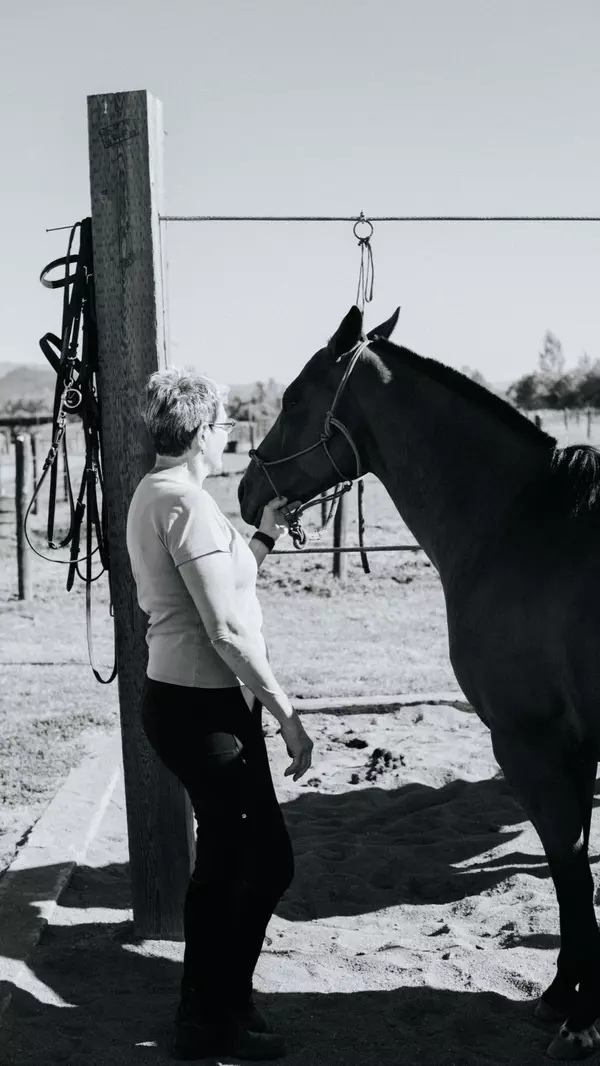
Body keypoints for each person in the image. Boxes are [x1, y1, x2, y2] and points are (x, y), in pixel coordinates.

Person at [126, 368, 314, 1061]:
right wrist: (287, 713)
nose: (230, 432)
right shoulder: (187, 505)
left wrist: (261, 536)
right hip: (205, 710)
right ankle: (213, 1016)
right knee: (255, 864)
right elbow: (226, 631)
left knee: (239, 861)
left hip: (193, 704)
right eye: (225, 423)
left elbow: (225, 579)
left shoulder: (165, 494)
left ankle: (214, 1008)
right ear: (203, 431)